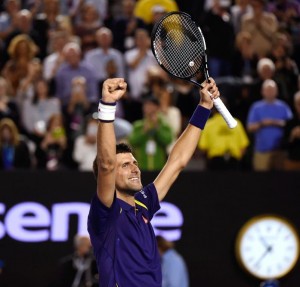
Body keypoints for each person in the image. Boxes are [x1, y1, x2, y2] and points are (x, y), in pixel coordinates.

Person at [88, 77, 220, 287]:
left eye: (135, 163)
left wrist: (204, 106)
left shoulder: (143, 204)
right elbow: (105, 164)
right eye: (124, 165)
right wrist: (107, 106)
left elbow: (177, 162)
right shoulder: (106, 213)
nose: (134, 168)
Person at [247, 79, 293, 171]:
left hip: (280, 150)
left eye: (272, 90)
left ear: (277, 91)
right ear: (262, 92)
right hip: (262, 151)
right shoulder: (256, 107)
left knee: (282, 181)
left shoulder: (283, 106)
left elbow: (290, 125)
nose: (270, 92)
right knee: (261, 182)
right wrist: (262, 124)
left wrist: (274, 122)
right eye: (267, 90)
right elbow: (250, 127)